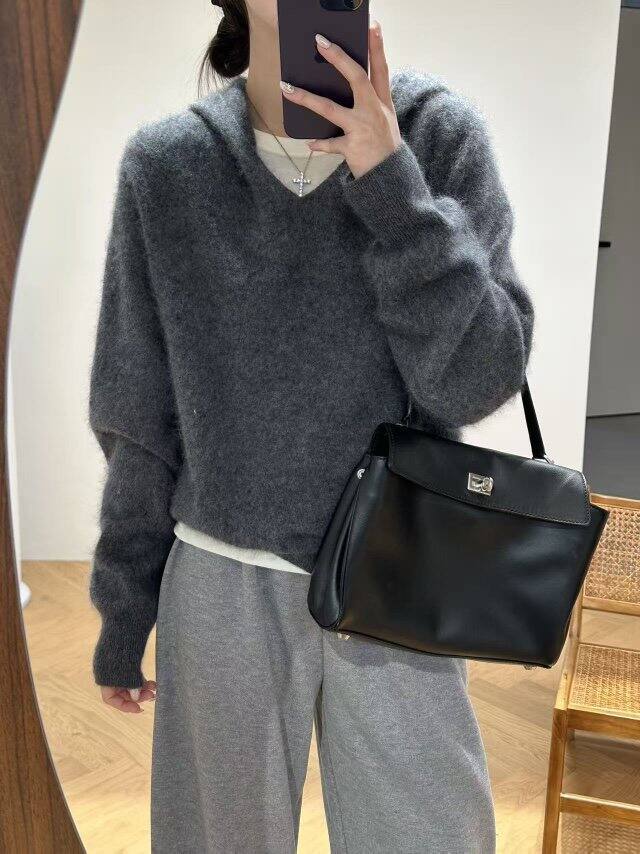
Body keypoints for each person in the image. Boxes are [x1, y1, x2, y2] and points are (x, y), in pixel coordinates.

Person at [87, 1, 534, 851]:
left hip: (401, 569)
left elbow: (475, 381)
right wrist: (124, 606)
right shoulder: (170, 166)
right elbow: (137, 408)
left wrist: (392, 182)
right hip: (223, 574)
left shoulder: (437, 138)